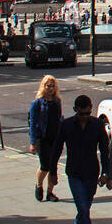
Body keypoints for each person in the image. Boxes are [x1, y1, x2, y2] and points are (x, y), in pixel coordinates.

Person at [49, 94, 111, 224]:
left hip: (91, 172)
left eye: (88, 113)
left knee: (85, 206)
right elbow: (56, 148)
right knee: (83, 207)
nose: (85, 117)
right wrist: (52, 172)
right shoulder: (66, 125)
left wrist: (106, 173)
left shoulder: (97, 124)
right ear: (76, 110)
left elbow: (105, 150)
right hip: (74, 172)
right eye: (82, 114)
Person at [28, 75, 63, 203]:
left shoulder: (57, 101)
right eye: (48, 86)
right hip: (42, 138)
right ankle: (38, 185)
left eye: (53, 86)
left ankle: (50, 192)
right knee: (45, 166)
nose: (50, 89)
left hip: (55, 138)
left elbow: (59, 119)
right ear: (43, 87)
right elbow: (33, 123)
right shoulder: (37, 103)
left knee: (53, 166)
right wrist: (32, 142)